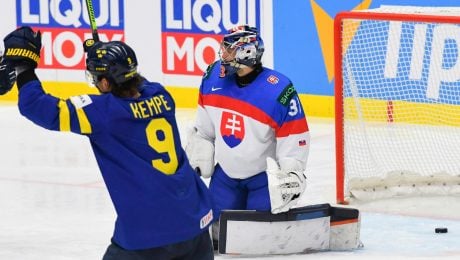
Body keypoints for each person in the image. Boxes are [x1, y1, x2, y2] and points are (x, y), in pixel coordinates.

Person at [1, 26, 215, 260]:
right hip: (196, 221)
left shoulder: (101, 113)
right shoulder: (161, 95)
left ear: (104, 84)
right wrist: (106, 57)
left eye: (96, 78)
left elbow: (37, 106)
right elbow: (133, 84)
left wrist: (24, 68)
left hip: (149, 232)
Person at [185, 25, 310, 244]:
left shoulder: (279, 90)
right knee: (215, 237)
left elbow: (294, 135)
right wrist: (200, 152)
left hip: (262, 179)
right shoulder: (213, 76)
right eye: (224, 49)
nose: (223, 55)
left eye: (230, 50)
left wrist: (291, 172)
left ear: (248, 53)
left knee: (261, 239)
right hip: (224, 176)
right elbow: (204, 129)